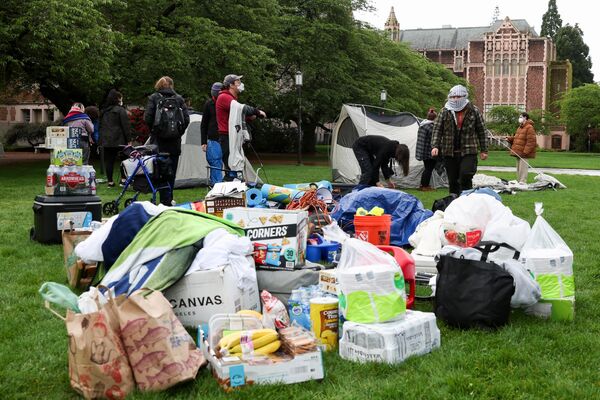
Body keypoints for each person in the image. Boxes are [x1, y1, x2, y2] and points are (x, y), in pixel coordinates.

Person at [431, 85, 488, 195]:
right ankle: (454, 203)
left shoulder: (474, 111)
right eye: (453, 97)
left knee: (465, 176)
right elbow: (437, 130)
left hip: (469, 151)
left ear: (464, 96)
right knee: (453, 181)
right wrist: (435, 146)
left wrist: (484, 150)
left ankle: (467, 200)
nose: (455, 99)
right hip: (449, 152)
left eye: (458, 96)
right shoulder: (444, 111)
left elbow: (482, 130)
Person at [144, 76, 190, 205]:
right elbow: (186, 119)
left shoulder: (154, 98)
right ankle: (169, 198)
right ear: (172, 85)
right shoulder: (179, 99)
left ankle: (163, 198)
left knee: (159, 171)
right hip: (174, 142)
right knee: (172, 171)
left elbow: (147, 118)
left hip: (158, 142)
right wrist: (178, 132)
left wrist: (154, 131)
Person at [216, 74, 266, 180]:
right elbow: (241, 108)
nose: (241, 84)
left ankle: (235, 191)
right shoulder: (224, 97)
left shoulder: (231, 98)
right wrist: (257, 112)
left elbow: (234, 116)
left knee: (236, 165)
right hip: (227, 136)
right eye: (238, 82)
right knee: (231, 166)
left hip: (233, 136)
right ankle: (230, 193)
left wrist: (248, 118)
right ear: (231, 85)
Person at [99, 89, 131, 187]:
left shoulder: (104, 111)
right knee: (124, 159)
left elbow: (101, 125)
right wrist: (129, 139)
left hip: (107, 139)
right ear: (117, 99)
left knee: (109, 160)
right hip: (119, 139)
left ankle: (110, 181)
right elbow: (125, 125)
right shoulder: (120, 110)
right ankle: (123, 179)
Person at [201, 82, 224, 185]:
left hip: (225, 138)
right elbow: (204, 124)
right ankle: (216, 186)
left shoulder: (227, 104)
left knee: (229, 163)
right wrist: (203, 142)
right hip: (213, 139)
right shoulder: (208, 104)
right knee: (215, 163)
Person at [507, 112, 536, 184]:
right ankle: (519, 180)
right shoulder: (520, 127)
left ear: (525, 117)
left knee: (523, 168)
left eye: (520, 117)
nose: (519, 118)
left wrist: (525, 151)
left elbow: (531, 141)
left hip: (524, 152)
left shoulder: (529, 127)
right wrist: (510, 138)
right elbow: (517, 138)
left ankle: (523, 181)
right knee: (519, 168)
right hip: (518, 151)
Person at [415, 107, 437, 191]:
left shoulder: (423, 125)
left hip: (422, 151)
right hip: (429, 151)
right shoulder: (431, 126)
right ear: (435, 118)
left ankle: (423, 185)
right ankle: (425, 186)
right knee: (428, 169)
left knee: (427, 168)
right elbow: (435, 139)